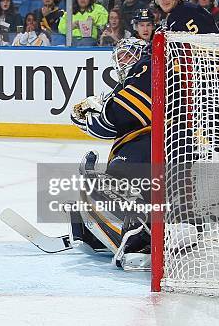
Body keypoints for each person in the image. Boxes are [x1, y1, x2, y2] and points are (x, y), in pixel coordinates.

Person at [69, 38, 152, 269]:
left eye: (127, 55)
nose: (121, 61)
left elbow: (118, 118)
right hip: (140, 149)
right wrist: (89, 120)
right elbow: (112, 125)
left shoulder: (146, 68)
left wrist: (94, 115)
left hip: (144, 149)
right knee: (101, 185)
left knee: (100, 182)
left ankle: (142, 235)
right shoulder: (129, 84)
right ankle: (107, 233)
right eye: (119, 57)